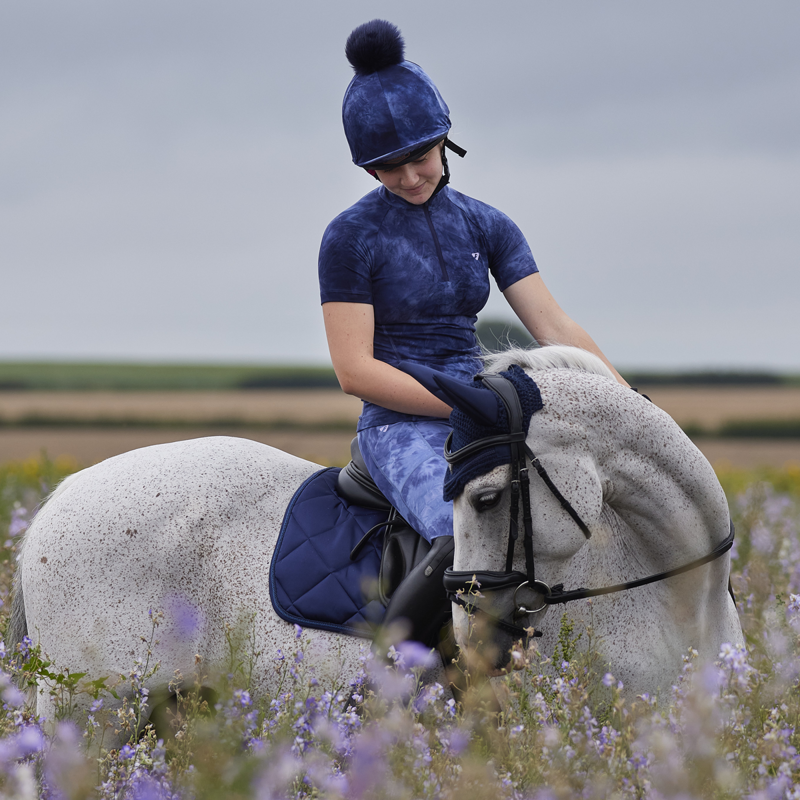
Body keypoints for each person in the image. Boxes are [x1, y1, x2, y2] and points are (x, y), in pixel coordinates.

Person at [318, 20, 627, 646]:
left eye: (421, 158)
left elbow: (556, 327)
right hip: (400, 425)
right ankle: (385, 679)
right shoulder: (350, 237)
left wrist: (631, 404)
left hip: (487, 412)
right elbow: (354, 371)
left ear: (445, 142)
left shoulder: (488, 225)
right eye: (387, 167)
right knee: (460, 529)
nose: (408, 177)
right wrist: (465, 402)